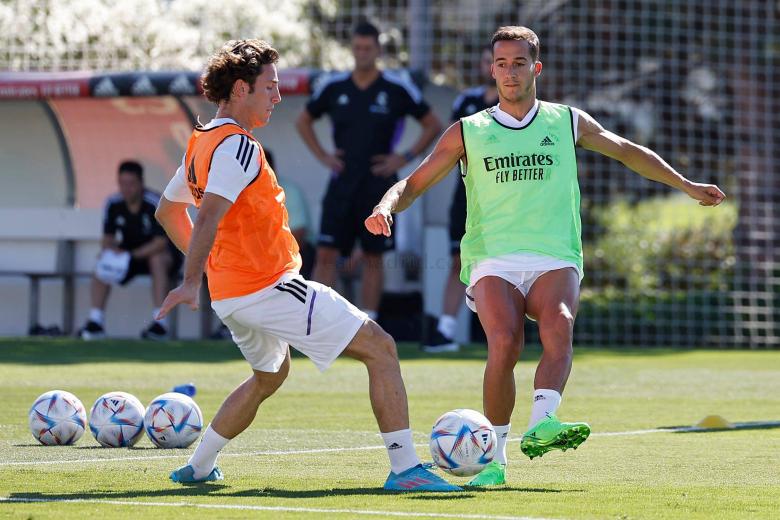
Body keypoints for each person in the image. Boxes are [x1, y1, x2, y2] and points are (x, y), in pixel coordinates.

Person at [366, 26, 725, 486]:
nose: (509, 72)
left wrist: (688, 186)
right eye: (501, 63)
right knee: (505, 343)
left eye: (518, 63)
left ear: (536, 68)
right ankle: (494, 462)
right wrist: (385, 205)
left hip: (554, 252)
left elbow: (628, 153)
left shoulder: (566, 121)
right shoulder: (469, 131)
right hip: (492, 256)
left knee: (559, 321)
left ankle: (542, 423)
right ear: (491, 69)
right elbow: (413, 183)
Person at [154, 38, 459, 492]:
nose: (278, 97)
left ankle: (198, 466)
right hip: (268, 288)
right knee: (381, 347)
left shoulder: (201, 142)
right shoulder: (237, 147)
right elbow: (209, 216)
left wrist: (209, 271)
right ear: (240, 89)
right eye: (270, 87)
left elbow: (168, 211)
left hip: (234, 296)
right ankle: (406, 470)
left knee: (269, 375)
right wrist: (190, 279)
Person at [296, 21, 442, 322]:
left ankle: (370, 322)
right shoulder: (334, 87)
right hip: (341, 184)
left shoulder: (396, 88)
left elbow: (433, 124)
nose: (362, 53)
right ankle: (319, 323)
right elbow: (303, 121)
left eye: (368, 48)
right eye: (357, 48)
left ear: (377, 49)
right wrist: (323, 155)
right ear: (353, 49)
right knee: (326, 253)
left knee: (374, 258)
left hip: (378, 185)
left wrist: (404, 157)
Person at [423, 45, 498, 353]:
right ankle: (445, 331)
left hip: (505, 202)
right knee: (458, 262)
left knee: (502, 265)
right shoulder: (466, 102)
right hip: (466, 199)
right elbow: (453, 149)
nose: (493, 67)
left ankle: (502, 334)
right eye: (488, 61)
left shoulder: (519, 109)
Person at [78, 160, 179, 341]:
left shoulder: (154, 203)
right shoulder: (113, 203)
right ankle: (95, 322)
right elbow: (107, 238)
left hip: (160, 256)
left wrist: (129, 255)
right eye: (122, 184)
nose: (126, 189)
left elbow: (160, 242)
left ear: (141, 183)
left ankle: (160, 324)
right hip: (129, 256)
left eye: (131, 184)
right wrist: (111, 251)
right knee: (103, 259)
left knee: (157, 259)